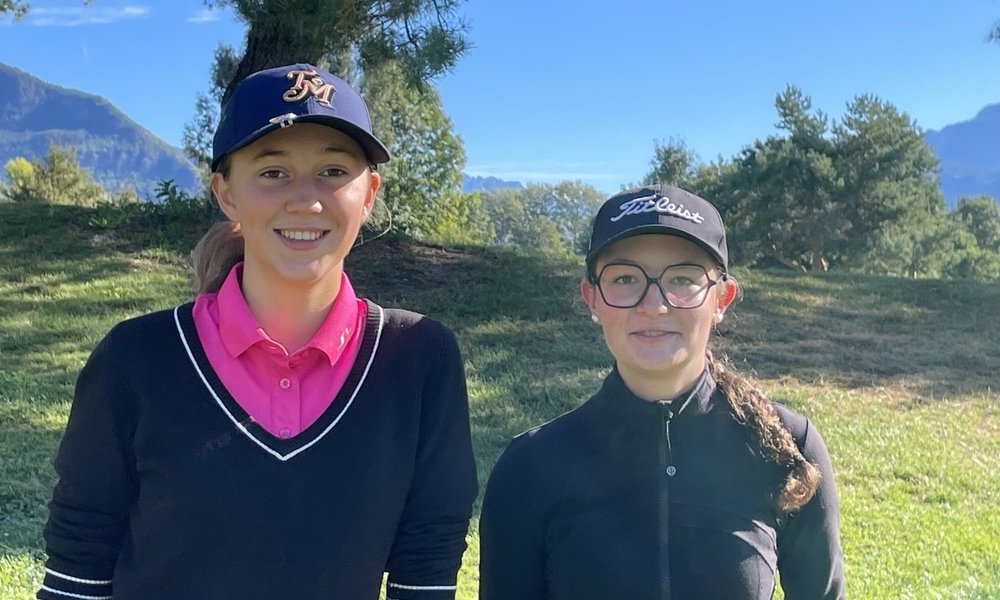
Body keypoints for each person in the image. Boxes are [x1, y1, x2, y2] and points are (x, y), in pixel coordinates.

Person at [37, 63, 477, 600]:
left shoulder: (419, 356)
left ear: (369, 193)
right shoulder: (135, 357)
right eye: (273, 172)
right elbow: (79, 560)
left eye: (333, 171)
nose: (306, 199)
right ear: (226, 194)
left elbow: (427, 559)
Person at [479, 184, 844, 599]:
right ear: (592, 298)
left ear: (721, 299)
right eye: (625, 278)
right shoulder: (529, 467)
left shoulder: (788, 448)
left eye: (682, 278)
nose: (653, 305)